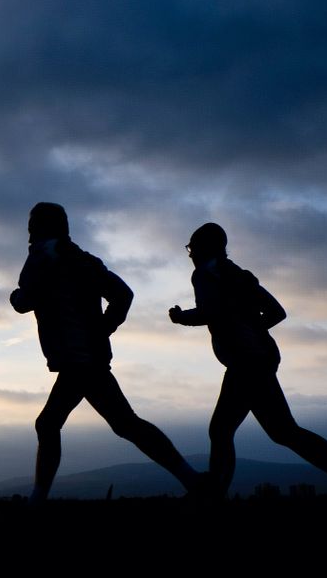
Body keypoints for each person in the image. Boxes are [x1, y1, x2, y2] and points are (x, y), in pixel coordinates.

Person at [169, 222, 327, 498]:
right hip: (260, 359)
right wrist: (253, 331)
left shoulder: (205, 275)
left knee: (222, 430)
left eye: (193, 248)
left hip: (246, 363)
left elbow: (211, 313)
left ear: (206, 249)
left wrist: (181, 318)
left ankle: (213, 495)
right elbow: (276, 312)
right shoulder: (239, 275)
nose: (190, 255)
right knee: (283, 432)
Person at [11, 202, 202, 502]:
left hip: (78, 361)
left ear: (37, 227)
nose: (29, 231)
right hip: (90, 357)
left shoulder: (40, 258)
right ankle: (193, 481)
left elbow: (24, 301)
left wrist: (15, 295)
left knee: (51, 424)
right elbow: (123, 294)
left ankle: (37, 501)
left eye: (32, 224)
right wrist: (103, 329)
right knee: (125, 424)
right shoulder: (84, 260)